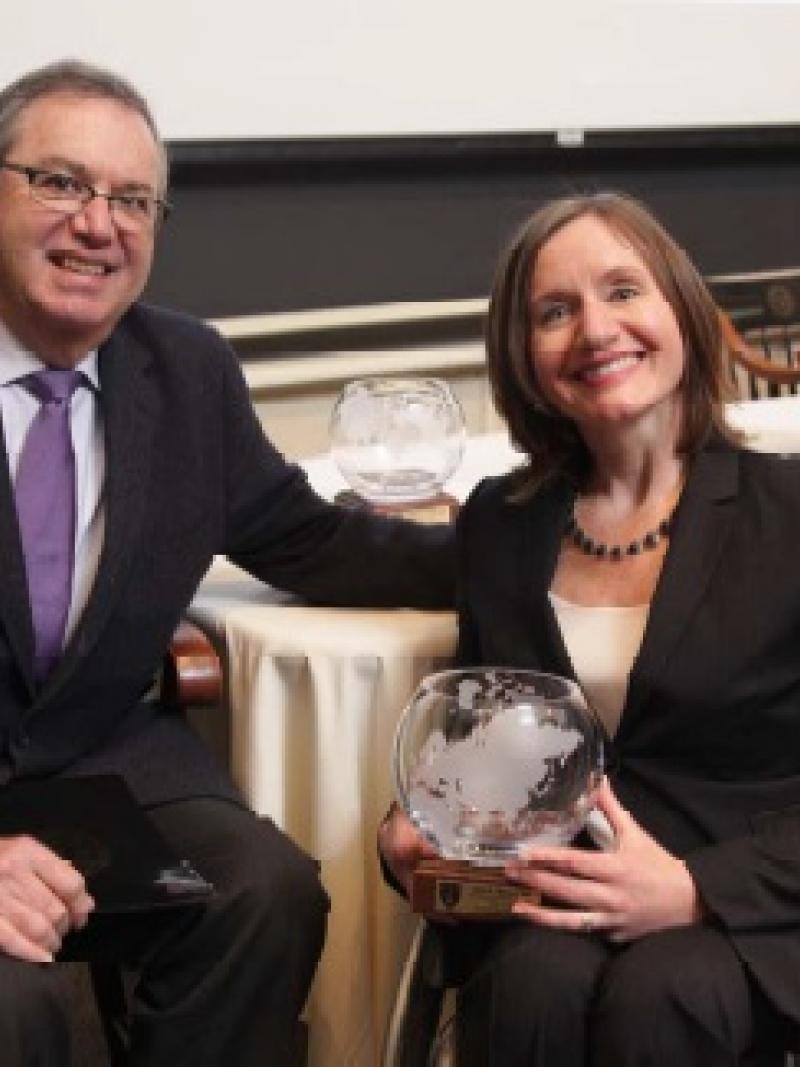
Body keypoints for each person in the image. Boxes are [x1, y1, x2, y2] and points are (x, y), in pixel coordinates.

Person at [0, 59, 455, 1066]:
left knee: (267, 891)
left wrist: (519, 545)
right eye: (62, 182)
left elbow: (310, 539)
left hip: (98, 755)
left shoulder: (186, 369)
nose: (98, 223)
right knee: (14, 1006)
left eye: (131, 199)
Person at [379, 192, 800, 1065]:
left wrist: (694, 888)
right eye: (555, 311)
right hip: (553, 889)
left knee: (665, 994)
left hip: (751, 907)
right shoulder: (502, 519)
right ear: (525, 358)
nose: (595, 330)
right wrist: (413, 828)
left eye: (623, 291)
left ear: (681, 307)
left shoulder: (787, 510)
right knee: (528, 984)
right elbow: (480, 737)